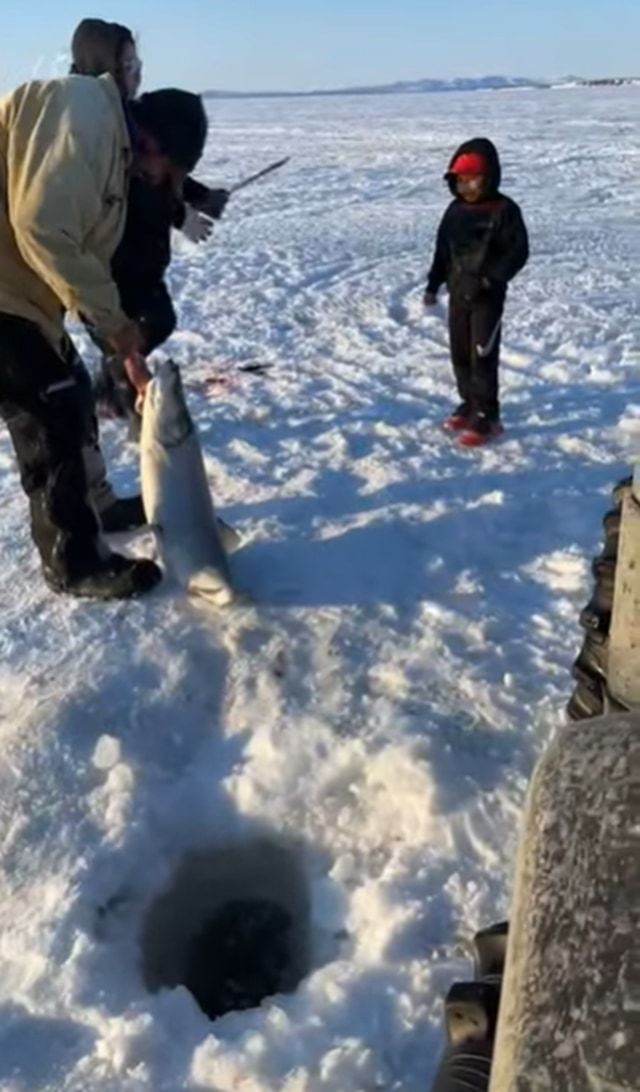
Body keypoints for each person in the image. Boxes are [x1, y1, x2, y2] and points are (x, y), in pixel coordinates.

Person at [0, 73, 208, 598]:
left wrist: (121, 343)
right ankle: (75, 563)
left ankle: (96, 507)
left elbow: (81, 255)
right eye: (171, 170)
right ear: (156, 143)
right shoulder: (87, 115)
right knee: (51, 410)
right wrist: (117, 328)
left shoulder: (109, 145)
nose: (162, 180)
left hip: (20, 291)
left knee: (70, 385)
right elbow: (44, 227)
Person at [70, 18, 229, 437]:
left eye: (137, 63)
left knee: (157, 320)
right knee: (131, 331)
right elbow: (140, 188)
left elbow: (162, 177)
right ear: (101, 67)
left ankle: (116, 386)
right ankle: (128, 399)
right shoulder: (96, 132)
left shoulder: (137, 118)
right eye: (126, 66)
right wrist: (181, 213)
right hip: (109, 265)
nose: (136, 74)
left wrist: (197, 198)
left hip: (143, 258)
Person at [424, 138, 529, 447]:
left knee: (482, 353)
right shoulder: (454, 210)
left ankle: (488, 414)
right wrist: (433, 283)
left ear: (490, 178)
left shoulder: (505, 210)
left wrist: (488, 280)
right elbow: (443, 251)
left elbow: (517, 253)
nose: (468, 186)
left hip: (487, 298)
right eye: (461, 180)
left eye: (474, 179)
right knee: (460, 353)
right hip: (458, 293)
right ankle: (469, 402)